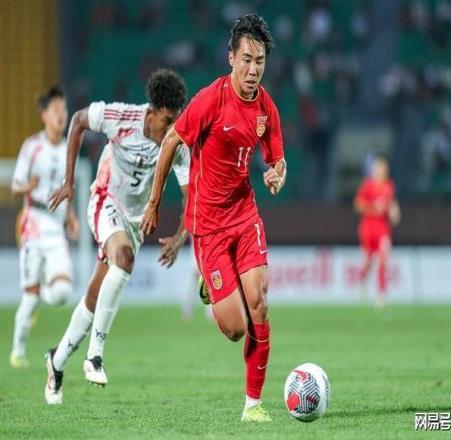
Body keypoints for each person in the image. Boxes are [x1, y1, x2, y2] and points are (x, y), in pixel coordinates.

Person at [141, 14, 286, 422]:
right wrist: (154, 202)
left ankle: (253, 405)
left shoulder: (266, 108)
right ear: (231, 58)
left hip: (245, 214)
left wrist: (277, 175)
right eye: (246, 60)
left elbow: (277, 160)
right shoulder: (211, 100)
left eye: (260, 61)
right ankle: (209, 284)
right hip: (209, 227)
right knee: (236, 328)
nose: (253, 69)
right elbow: (170, 141)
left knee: (259, 302)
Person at [44, 69, 189, 404]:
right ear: (151, 112)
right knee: (124, 259)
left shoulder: (177, 143)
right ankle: (94, 355)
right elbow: (78, 121)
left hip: (134, 224)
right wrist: (69, 181)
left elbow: (190, 195)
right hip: (105, 201)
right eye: (167, 121)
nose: (171, 129)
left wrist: (180, 235)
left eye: (176, 121)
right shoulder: (122, 117)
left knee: (94, 297)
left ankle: (56, 361)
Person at [10, 86, 79, 368]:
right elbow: (15, 186)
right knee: (28, 297)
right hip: (34, 225)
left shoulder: (68, 149)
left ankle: (41, 295)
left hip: (57, 227)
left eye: (64, 110)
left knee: (62, 293)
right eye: (56, 110)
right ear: (44, 115)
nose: (62, 115)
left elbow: (67, 187)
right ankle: (17, 351)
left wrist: (71, 215)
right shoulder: (32, 147)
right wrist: (29, 185)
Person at [354, 154, 401, 309]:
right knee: (368, 261)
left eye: (383, 168)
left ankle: (382, 295)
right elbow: (358, 204)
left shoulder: (389, 186)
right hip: (368, 227)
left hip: (382, 229)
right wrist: (373, 208)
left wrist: (394, 212)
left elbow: (391, 203)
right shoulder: (368, 185)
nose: (381, 171)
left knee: (383, 259)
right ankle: (362, 282)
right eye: (379, 168)